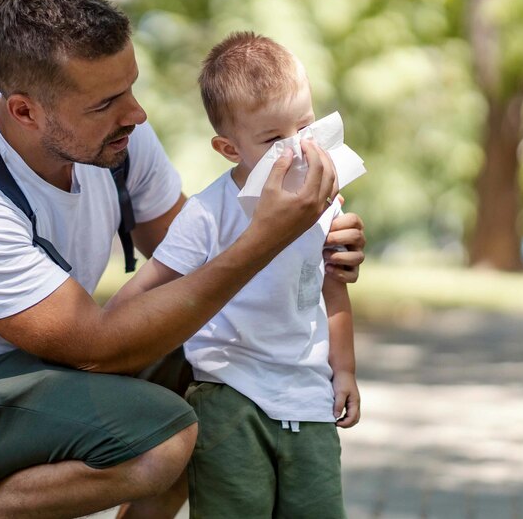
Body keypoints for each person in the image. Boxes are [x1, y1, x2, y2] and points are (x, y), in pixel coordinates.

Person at [0, 0, 367, 519]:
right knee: (162, 437)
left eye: (130, 87)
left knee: (213, 365)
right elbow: (94, 346)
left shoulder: (117, 141)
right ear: (25, 112)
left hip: (29, 377)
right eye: (106, 102)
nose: (136, 114)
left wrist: (312, 246)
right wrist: (266, 238)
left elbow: (198, 260)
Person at [106, 32, 360, 518]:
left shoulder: (321, 201)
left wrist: (344, 370)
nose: (296, 149)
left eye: (305, 127)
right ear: (229, 148)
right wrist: (100, 339)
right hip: (229, 394)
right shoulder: (207, 214)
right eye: (273, 140)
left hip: (308, 396)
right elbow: (147, 286)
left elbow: (332, 291)